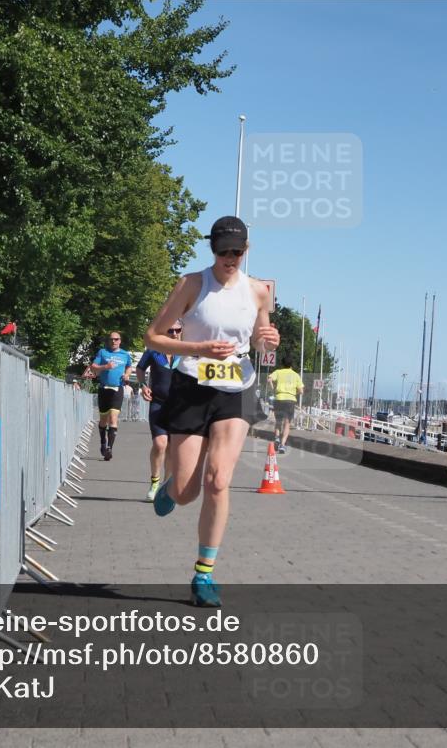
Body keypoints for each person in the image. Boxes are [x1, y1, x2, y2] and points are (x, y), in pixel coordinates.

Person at [143, 216, 279, 607]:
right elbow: (152, 337)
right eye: (223, 252)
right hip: (191, 385)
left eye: (237, 252)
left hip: (237, 388)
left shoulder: (258, 292)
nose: (230, 258)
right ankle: (169, 488)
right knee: (187, 491)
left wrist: (267, 340)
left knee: (218, 481)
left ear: (246, 250)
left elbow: (260, 343)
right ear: (212, 250)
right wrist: (198, 350)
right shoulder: (191, 285)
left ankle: (204, 574)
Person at [135, 324, 183, 501]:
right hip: (159, 403)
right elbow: (140, 369)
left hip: (180, 406)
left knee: (172, 447)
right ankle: (155, 482)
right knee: (160, 444)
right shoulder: (154, 350)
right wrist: (143, 385)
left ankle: (167, 484)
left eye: (178, 330)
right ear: (164, 332)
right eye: (170, 330)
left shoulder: (188, 351)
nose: (174, 333)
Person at [89, 331, 134, 461]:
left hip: (117, 389)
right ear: (108, 341)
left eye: (116, 339)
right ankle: (103, 442)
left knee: (114, 419)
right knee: (103, 420)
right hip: (104, 389)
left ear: (120, 341)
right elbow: (93, 367)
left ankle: (109, 448)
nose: (114, 341)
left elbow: (129, 367)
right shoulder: (103, 352)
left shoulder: (125, 354)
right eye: (111, 339)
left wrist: (126, 375)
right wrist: (105, 366)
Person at [267, 356, 303, 454]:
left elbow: (269, 379)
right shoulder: (296, 375)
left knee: (278, 421)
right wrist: (294, 393)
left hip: (279, 398)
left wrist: (273, 389)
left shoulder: (278, 372)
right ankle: (282, 445)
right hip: (290, 400)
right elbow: (301, 390)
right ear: (291, 365)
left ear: (282, 364)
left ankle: (277, 438)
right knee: (287, 423)